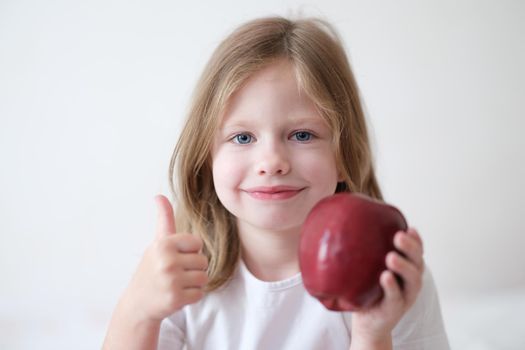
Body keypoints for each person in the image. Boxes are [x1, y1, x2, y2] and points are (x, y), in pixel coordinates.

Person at [103, 16, 450, 350]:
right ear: (206, 158)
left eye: (302, 134)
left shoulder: (392, 278)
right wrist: (138, 311)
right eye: (241, 138)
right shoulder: (179, 277)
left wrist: (373, 334)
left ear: (344, 155)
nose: (271, 163)